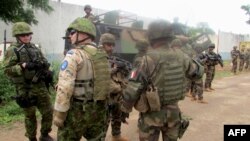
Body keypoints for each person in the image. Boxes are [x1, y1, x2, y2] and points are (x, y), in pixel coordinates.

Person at [120, 19, 203, 141]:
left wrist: (125, 109)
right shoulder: (182, 56)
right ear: (170, 37)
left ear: (151, 38)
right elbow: (198, 73)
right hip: (173, 114)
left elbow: (132, 89)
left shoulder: (146, 60)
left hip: (151, 116)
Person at [53, 17, 111, 141]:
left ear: (83, 34)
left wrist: (60, 114)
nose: (70, 36)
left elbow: (65, 87)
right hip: (99, 110)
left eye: (73, 32)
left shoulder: (74, 55)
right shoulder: (102, 56)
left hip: (78, 111)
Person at [3, 22, 53, 141]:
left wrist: (47, 70)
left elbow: (44, 62)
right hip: (25, 88)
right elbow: (6, 70)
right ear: (17, 36)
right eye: (22, 35)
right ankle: (32, 138)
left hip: (40, 85)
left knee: (48, 111)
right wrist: (23, 66)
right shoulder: (13, 50)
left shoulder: (34, 48)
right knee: (30, 115)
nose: (26, 37)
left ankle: (44, 134)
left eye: (28, 34)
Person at [99, 33, 129, 141]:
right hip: (104, 95)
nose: (111, 48)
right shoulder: (97, 57)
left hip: (115, 95)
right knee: (103, 120)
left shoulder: (111, 58)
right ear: (102, 44)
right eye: (108, 45)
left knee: (117, 116)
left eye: (112, 45)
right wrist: (113, 70)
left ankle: (116, 136)